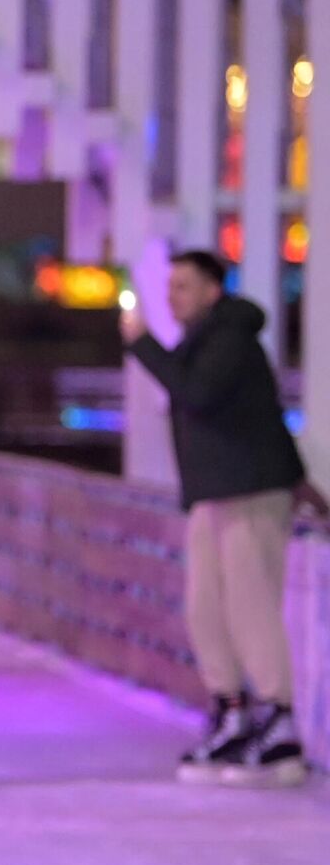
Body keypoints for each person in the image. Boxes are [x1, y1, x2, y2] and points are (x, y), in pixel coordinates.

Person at [122, 249, 326, 786]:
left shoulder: (231, 340)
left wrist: (142, 343)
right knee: (205, 607)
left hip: (251, 492)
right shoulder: (201, 343)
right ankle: (231, 708)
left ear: (214, 290)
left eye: (183, 286)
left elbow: (197, 396)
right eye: (170, 287)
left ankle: (278, 721)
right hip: (213, 494)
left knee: (249, 604)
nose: (173, 297)